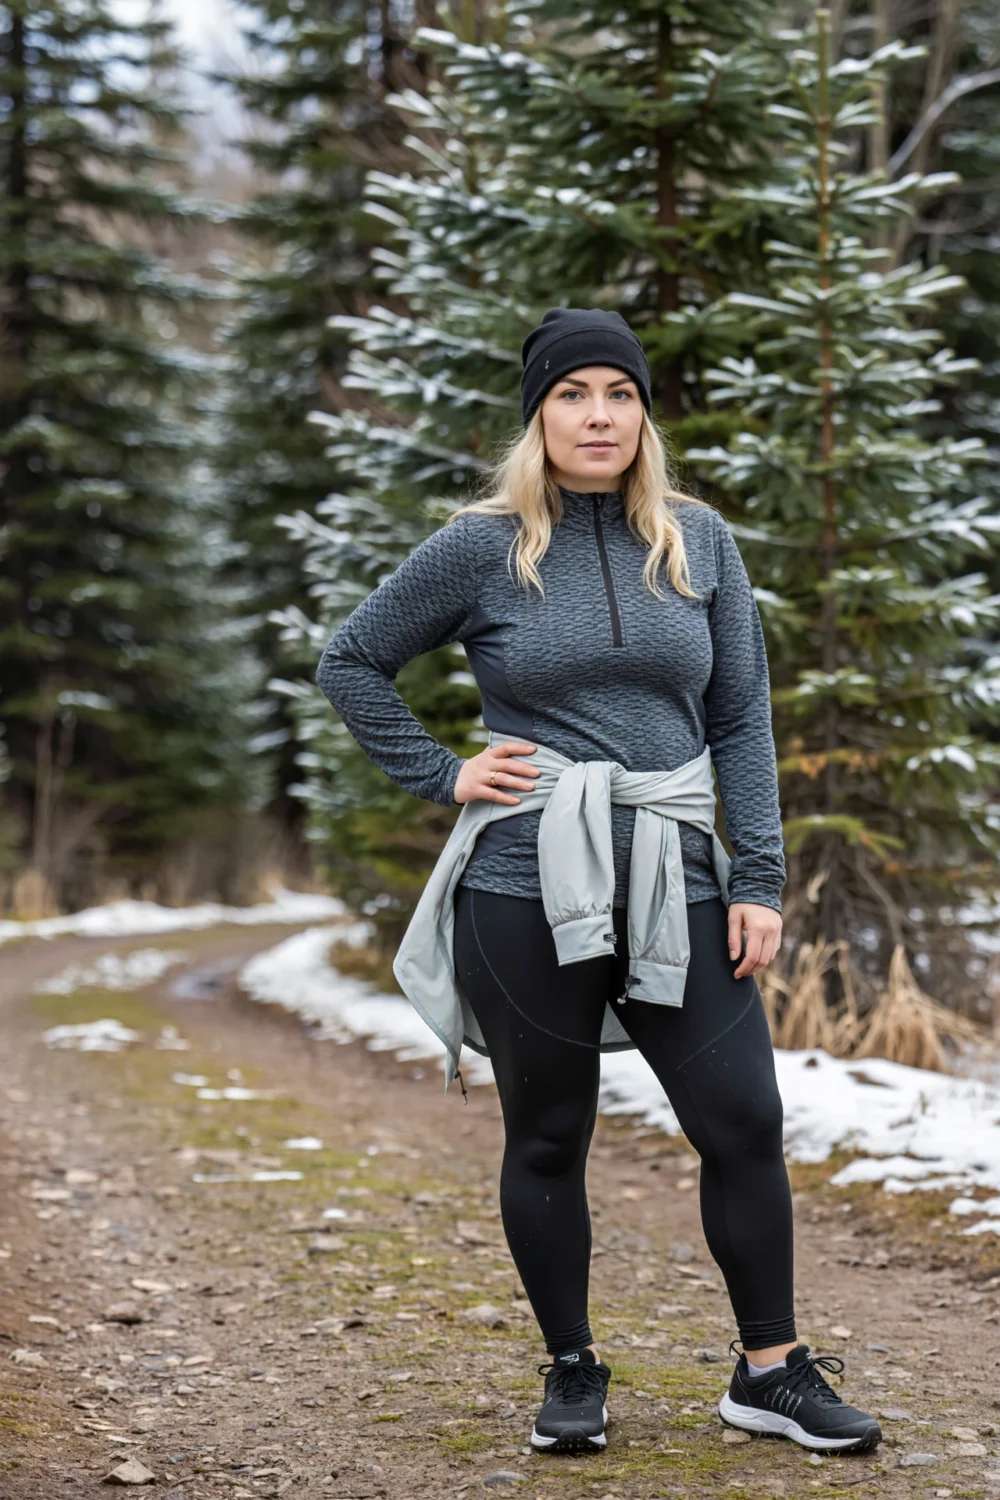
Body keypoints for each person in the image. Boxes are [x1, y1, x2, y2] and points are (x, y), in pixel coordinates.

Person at [315, 307, 882, 1458]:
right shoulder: (482, 546)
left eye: (618, 395)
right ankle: (572, 1368)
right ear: (539, 414)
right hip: (527, 875)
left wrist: (759, 876)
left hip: (676, 866)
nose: (598, 416)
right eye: (573, 394)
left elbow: (739, 717)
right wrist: (446, 771)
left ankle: (768, 1371)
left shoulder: (698, 539)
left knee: (742, 1121)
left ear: (642, 415)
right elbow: (352, 660)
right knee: (547, 1132)